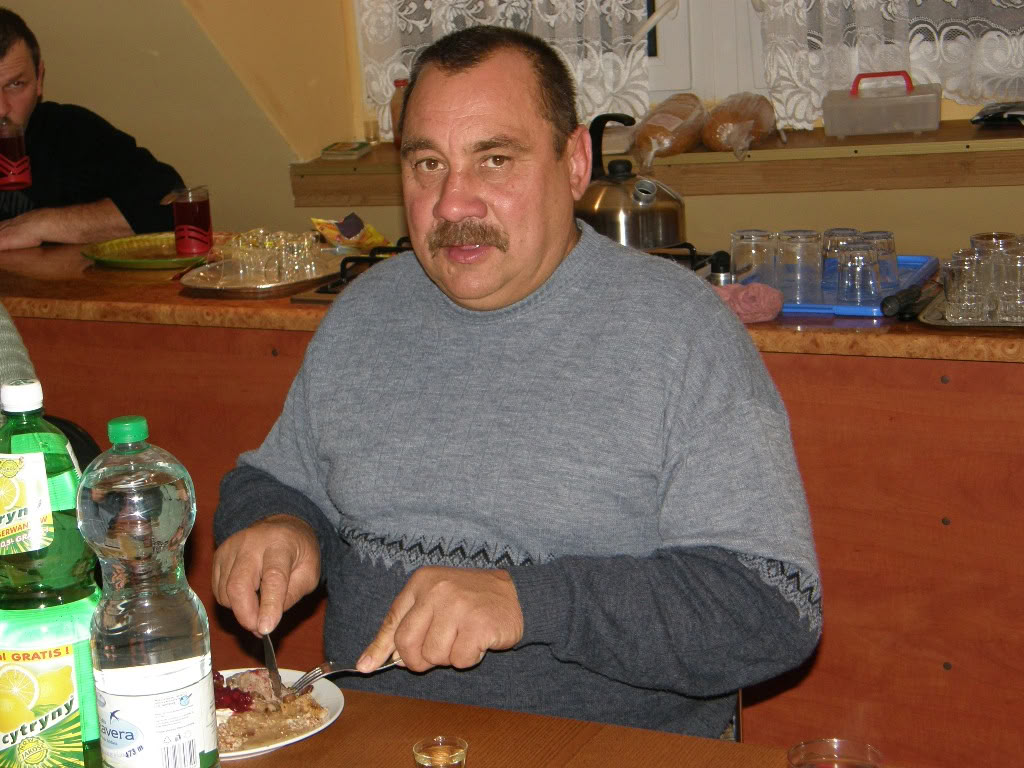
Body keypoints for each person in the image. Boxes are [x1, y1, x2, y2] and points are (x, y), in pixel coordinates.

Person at [212, 25, 821, 738]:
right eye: (428, 164)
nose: (453, 204)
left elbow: (771, 606)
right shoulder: (366, 314)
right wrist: (279, 525)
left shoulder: (681, 332)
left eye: (494, 159)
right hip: (375, 745)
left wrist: (528, 602)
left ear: (574, 163)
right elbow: (273, 479)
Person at [0, 8, 183, 250]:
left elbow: (172, 202)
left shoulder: (68, 131)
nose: (2, 109)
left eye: (15, 84)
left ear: (40, 79)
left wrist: (42, 224)